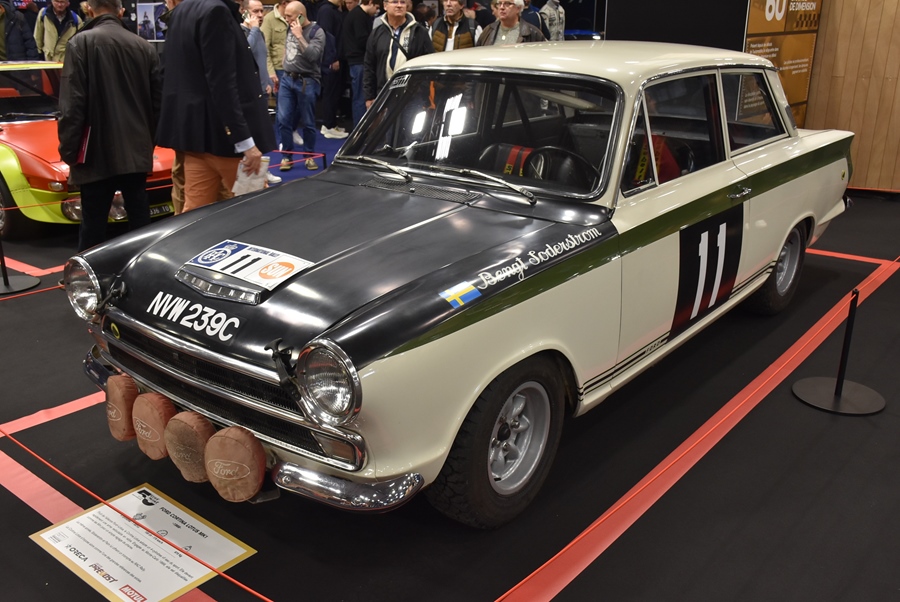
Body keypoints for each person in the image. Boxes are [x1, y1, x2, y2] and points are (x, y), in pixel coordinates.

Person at [58, 0, 161, 252]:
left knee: (93, 228)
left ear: (88, 10)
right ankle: (141, 271)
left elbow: (72, 105)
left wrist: (69, 151)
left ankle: (90, 274)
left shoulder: (80, 43)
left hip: (94, 151)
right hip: (136, 149)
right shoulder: (144, 46)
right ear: (121, 12)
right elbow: (158, 104)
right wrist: (148, 142)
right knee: (140, 224)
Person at [157, 0, 276, 212]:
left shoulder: (183, 10)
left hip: (196, 137)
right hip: (226, 139)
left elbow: (169, 72)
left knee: (195, 213)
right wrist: (245, 142)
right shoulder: (217, 12)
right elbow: (223, 84)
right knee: (256, 212)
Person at [277, 1, 324, 172]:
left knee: (308, 122)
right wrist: (284, 65)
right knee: (283, 119)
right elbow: (287, 48)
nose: (286, 19)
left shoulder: (317, 31)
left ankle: (309, 156)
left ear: (301, 16)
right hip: (287, 79)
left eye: (289, 16)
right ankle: (287, 156)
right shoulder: (289, 27)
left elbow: (313, 56)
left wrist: (299, 36)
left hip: (307, 81)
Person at [363, 0, 432, 110]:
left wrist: (424, 94)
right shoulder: (377, 33)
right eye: (395, 2)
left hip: (413, 96)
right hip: (384, 94)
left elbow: (429, 64)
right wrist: (369, 97)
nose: (399, 6)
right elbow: (369, 66)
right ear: (385, 6)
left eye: (402, 2)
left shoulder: (419, 32)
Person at [242, 0, 282, 185]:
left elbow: (261, 57)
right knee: (251, 135)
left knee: (262, 134)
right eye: (255, 11)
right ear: (244, 12)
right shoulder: (242, 32)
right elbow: (245, 54)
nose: (260, 14)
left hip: (261, 90)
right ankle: (256, 173)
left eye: (261, 11)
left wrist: (267, 80)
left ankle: (263, 171)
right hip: (248, 93)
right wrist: (254, 30)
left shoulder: (259, 32)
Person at [316, 0, 348, 139]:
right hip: (330, 60)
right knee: (330, 92)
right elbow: (327, 35)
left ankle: (332, 123)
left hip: (337, 57)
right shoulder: (326, 10)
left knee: (335, 92)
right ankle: (328, 126)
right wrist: (333, 58)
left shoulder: (334, 10)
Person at [341, 0, 376, 126]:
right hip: (359, 61)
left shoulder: (357, 14)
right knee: (361, 97)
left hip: (357, 61)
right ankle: (360, 129)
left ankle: (361, 128)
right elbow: (363, 40)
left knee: (359, 96)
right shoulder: (358, 16)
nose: (376, 12)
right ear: (370, 2)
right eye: (376, 8)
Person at [475, 0, 543, 46]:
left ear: (518, 8)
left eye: (507, 4)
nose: (501, 7)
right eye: (499, 4)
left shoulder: (533, 33)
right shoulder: (488, 30)